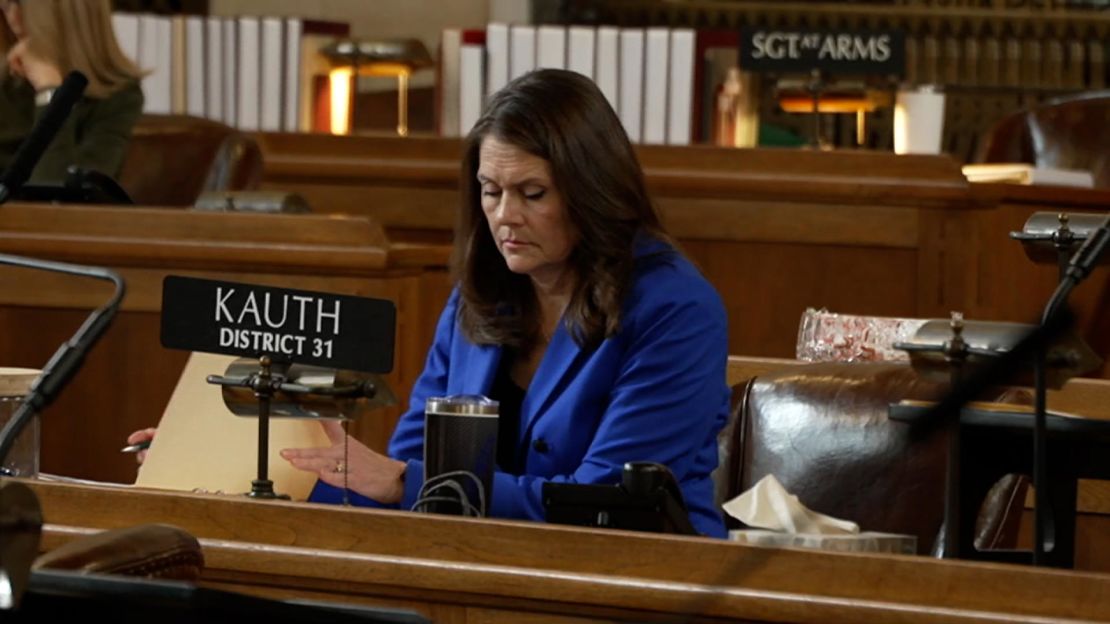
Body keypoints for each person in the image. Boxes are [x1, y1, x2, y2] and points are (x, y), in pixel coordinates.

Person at [279, 68, 732, 537]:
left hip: (634, 572)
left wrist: (404, 482)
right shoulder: (477, 295)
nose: (505, 216)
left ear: (591, 191)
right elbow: (414, 460)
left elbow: (609, 502)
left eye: (532, 194)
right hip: (482, 557)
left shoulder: (676, 308)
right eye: (491, 191)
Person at [0, 0, 144, 184]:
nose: (11, 17)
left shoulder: (120, 97)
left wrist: (50, 93)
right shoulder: (6, 84)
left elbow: (54, 196)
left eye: (16, 4)